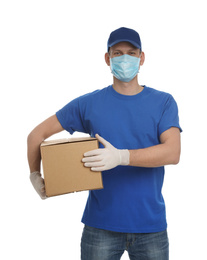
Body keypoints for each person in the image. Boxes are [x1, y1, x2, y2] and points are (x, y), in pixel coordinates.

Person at [27, 27, 182, 260]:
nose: (125, 58)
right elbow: (36, 135)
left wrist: (121, 157)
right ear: (107, 58)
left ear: (142, 57)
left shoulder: (163, 102)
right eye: (117, 53)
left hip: (150, 226)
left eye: (131, 52)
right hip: (100, 226)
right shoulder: (88, 104)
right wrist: (34, 174)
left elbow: (172, 152)